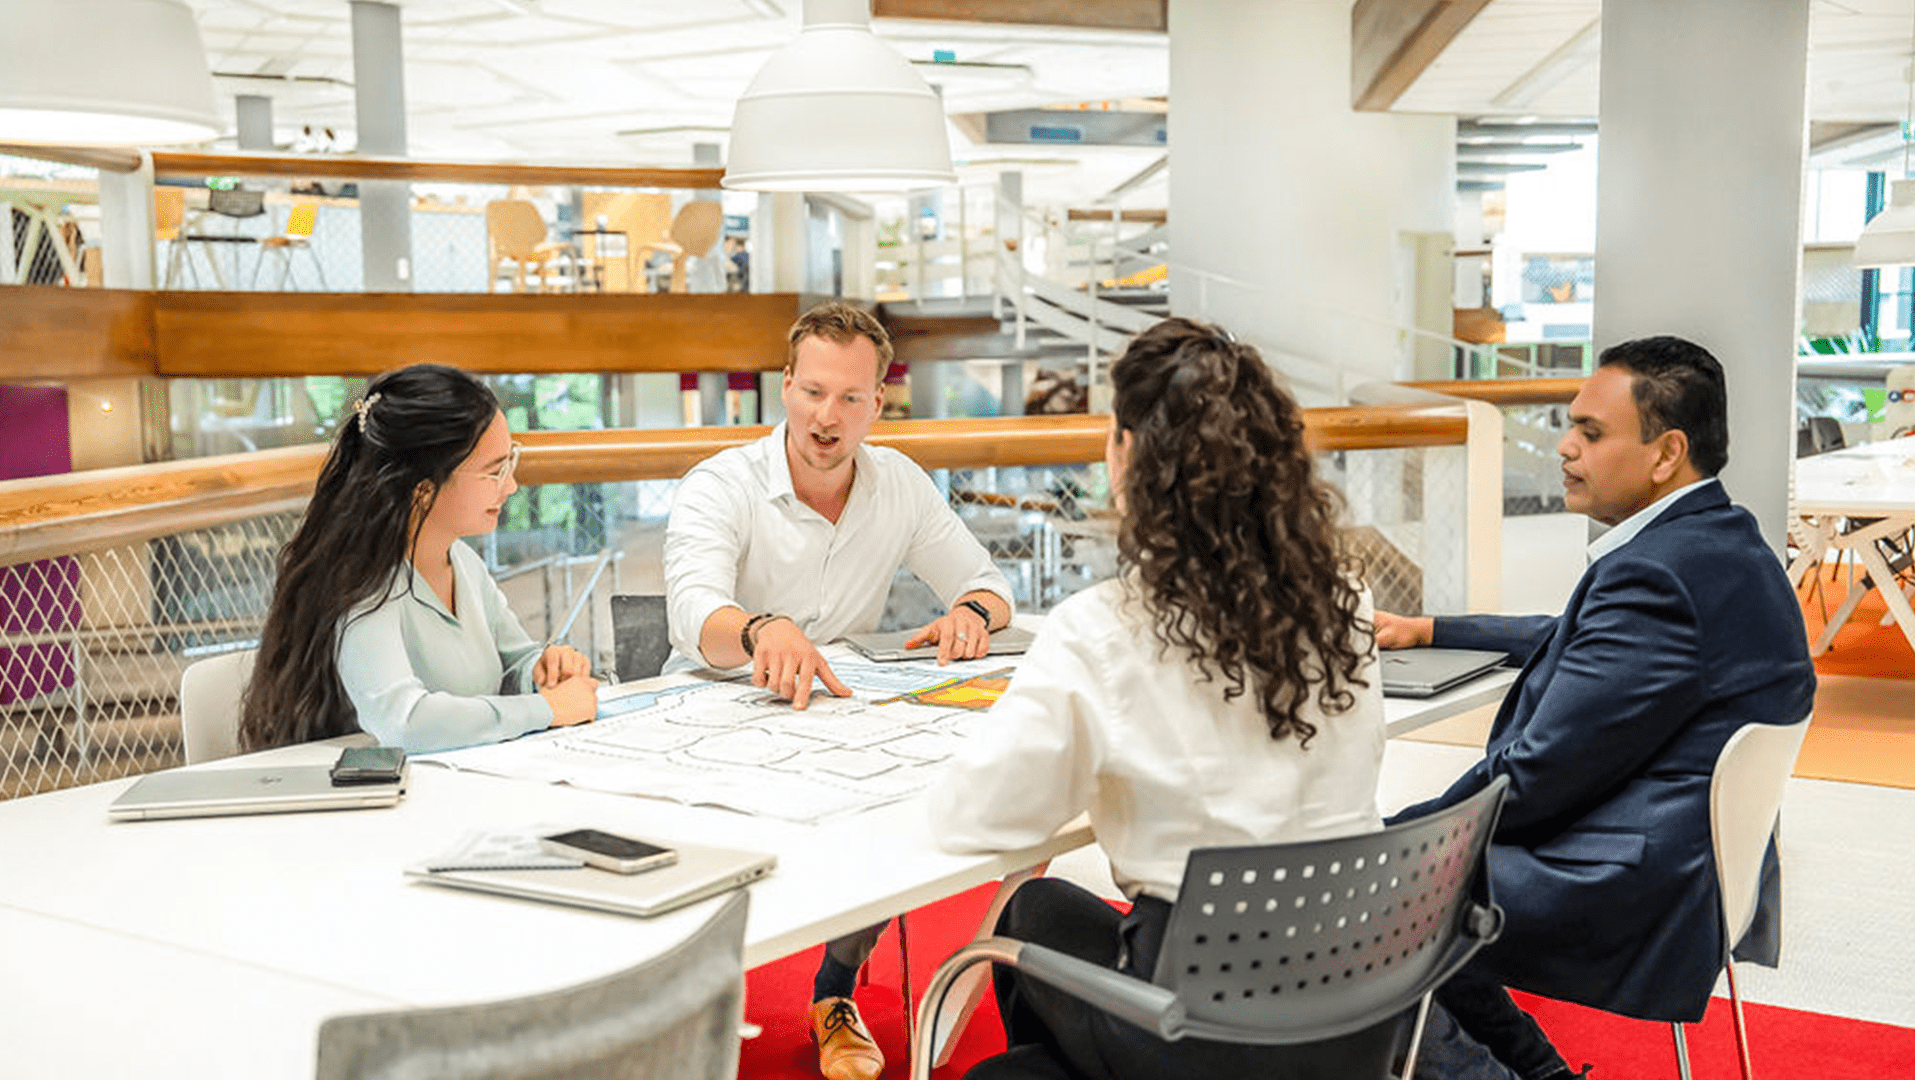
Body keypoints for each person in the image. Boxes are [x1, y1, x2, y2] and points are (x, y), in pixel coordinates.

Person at [928, 317, 1388, 1079]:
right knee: (1035, 912)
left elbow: (977, 816)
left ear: (1132, 455)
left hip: (1196, 1032)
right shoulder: (1345, 603)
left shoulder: (1103, 629)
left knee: (1015, 1004)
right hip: (1355, 1012)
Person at [1375, 335, 1817, 1080]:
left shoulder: (1655, 576)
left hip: (1632, 886)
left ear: (1665, 452)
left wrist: (1396, 838)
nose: (1564, 447)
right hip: (1695, 862)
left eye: (1590, 431)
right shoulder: (1719, 541)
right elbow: (1575, 637)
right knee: (1411, 868)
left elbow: (1538, 772)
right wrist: (1433, 629)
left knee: (1373, 886)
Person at [663, 299, 1016, 1080]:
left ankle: (834, 992)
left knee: (908, 800)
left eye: (851, 398)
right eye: (814, 392)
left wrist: (970, 614)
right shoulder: (721, 484)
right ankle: (673, 1014)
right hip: (711, 710)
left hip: (830, 710)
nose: (829, 416)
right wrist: (761, 630)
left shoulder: (899, 484)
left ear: (877, 403)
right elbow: (692, 614)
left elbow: (990, 587)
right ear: (784, 387)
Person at [241, 363, 598, 754]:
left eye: (509, 463)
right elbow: (404, 724)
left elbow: (512, 663)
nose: (511, 486)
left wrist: (543, 668)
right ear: (423, 492)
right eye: (495, 472)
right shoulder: (362, 584)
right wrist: (545, 709)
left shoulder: (462, 561)